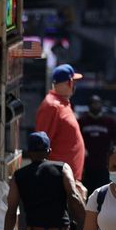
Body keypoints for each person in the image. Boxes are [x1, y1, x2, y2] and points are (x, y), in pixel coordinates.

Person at [35, 64, 86, 197]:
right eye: (72, 82)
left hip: (68, 181)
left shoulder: (62, 103)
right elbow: (41, 144)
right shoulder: (52, 106)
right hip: (58, 181)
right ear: (68, 83)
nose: (74, 85)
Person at [79, 95, 116, 193]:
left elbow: (115, 141)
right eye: (93, 103)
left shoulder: (109, 122)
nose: (96, 106)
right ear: (89, 105)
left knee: (103, 192)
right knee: (88, 192)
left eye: (98, 103)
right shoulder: (82, 122)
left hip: (104, 164)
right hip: (87, 165)